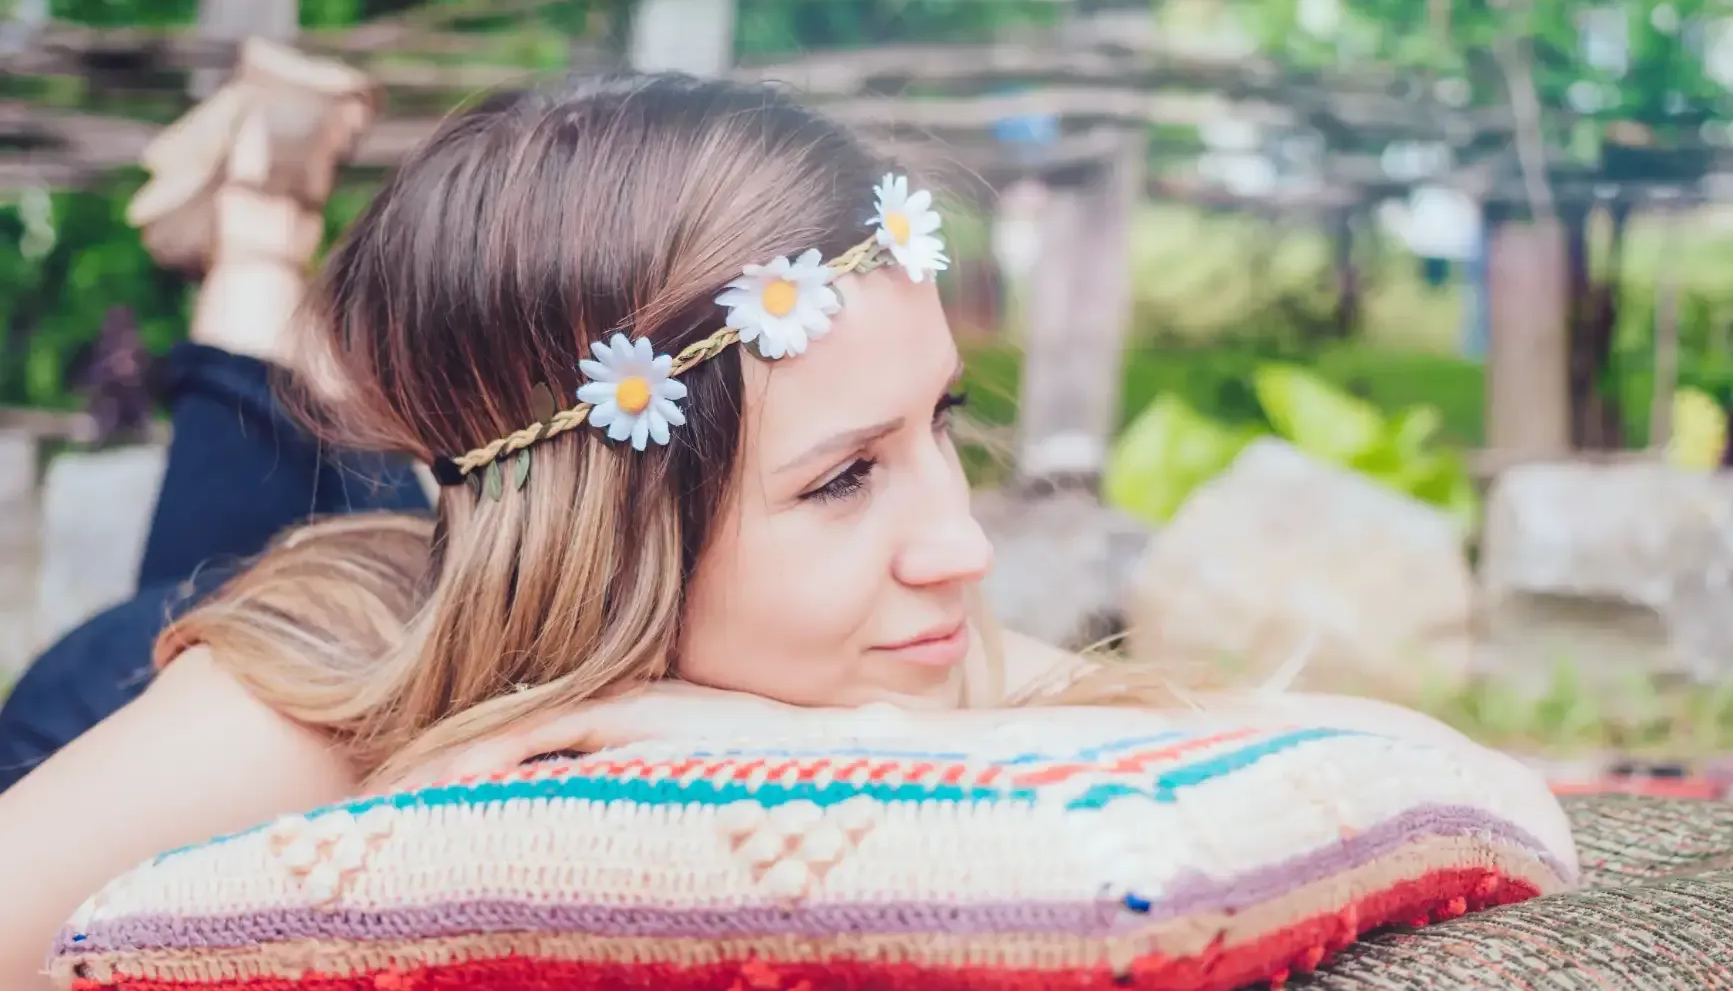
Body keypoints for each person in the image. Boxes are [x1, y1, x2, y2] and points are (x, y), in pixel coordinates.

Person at [0, 74, 1571, 989]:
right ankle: (259, 250)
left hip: (468, 557)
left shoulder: (898, 647)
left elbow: (1486, 793)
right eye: (843, 477)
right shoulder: (297, 716)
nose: (960, 546)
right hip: (170, 675)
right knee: (222, 571)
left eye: (941, 427)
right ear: (606, 538)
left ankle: (266, 261)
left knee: (337, 501)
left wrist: (725, 727)